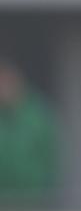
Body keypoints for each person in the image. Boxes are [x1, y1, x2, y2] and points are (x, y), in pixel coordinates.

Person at [0, 58, 58, 202]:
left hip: (35, 203)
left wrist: (51, 194)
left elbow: (54, 158)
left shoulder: (39, 116)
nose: (4, 88)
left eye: (8, 82)